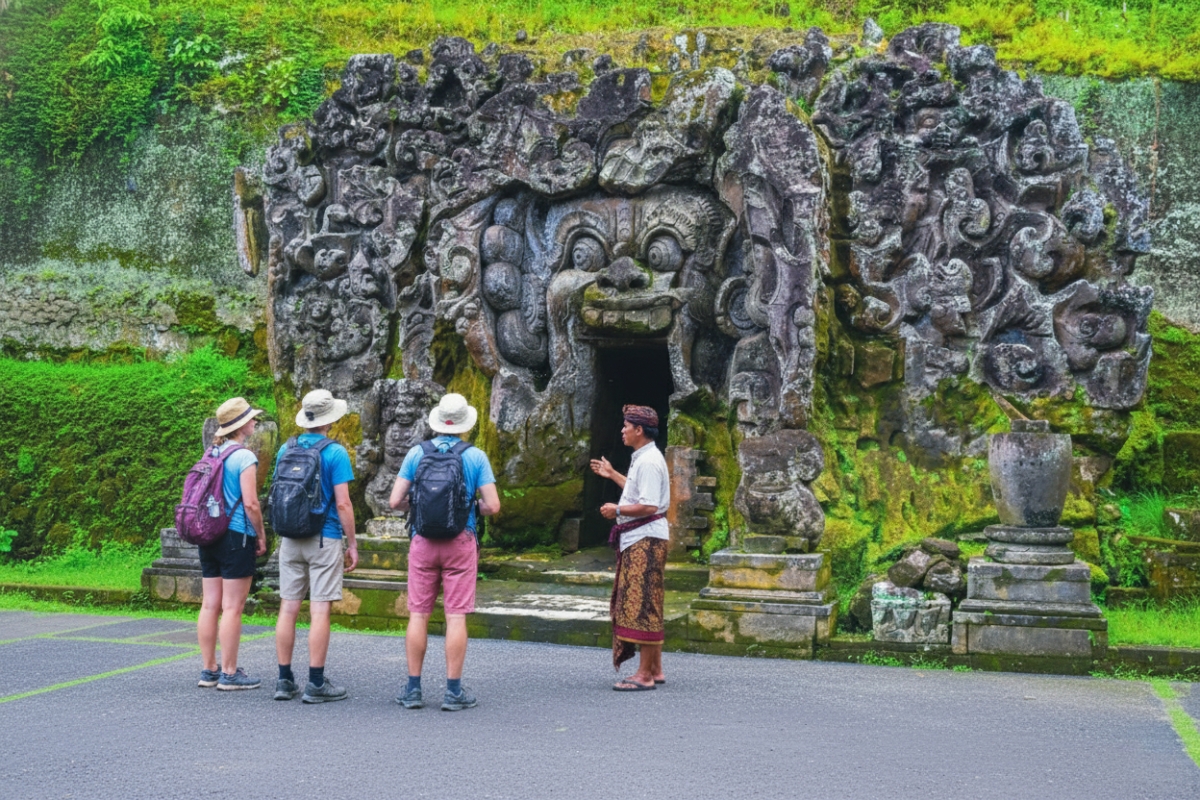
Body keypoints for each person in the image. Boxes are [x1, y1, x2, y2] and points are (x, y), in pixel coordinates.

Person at [388, 393, 500, 711]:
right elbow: (492, 505)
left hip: (423, 541)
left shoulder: (416, 453)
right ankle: (453, 691)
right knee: (455, 616)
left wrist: (421, 503)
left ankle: (412, 689)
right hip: (459, 541)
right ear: (464, 424)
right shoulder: (475, 457)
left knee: (419, 614)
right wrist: (469, 505)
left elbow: (395, 501)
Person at [272, 389, 359, 704]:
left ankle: (284, 680)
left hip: (290, 538)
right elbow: (344, 503)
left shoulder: (286, 448)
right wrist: (352, 543)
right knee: (320, 608)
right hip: (325, 536)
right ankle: (316, 683)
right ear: (331, 419)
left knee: (289, 606)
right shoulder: (335, 453)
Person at [590, 405, 670, 691]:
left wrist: (617, 508)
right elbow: (639, 491)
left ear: (639, 430)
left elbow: (648, 504)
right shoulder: (645, 458)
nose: (622, 430)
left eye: (626, 426)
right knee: (648, 600)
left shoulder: (648, 461)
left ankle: (645, 675)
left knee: (643, 604)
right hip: (643, 537)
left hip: (645, 539)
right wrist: (612, 474)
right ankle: (656, 669)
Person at [197, 397, 267, 690]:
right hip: (236, 535)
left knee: (210, 603)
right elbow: (251, 503)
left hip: (208, 533)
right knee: (233, 607)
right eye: (251, 419)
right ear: (240, 426)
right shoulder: (244, 457)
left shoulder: (211, 453)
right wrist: (261, 534)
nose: (255, 423)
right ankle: (229, 672)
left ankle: (209, 669)